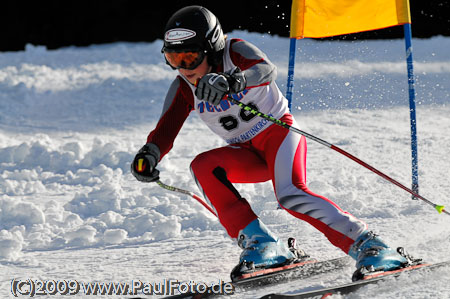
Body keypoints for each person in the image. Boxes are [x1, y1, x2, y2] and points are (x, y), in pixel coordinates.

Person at [131, 5, 410, 279]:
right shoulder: (184, 87)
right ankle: (264, 245)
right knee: (203, 166)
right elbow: (165, 131)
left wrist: (232, 80)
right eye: (173, 59)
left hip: (279, 135)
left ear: (212, 48)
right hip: (246, 152)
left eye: (189, 58)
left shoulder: (235, 51)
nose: (183, 68)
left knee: (290, 195)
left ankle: (371, 245)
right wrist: (150, 154)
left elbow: (265, 70)